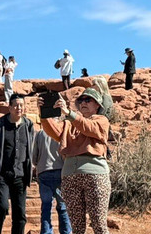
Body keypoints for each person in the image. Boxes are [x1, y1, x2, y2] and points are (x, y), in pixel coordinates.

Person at [40, 87, 110, 234]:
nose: (84, 102)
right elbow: (54, 132)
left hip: (95, 176)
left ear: (97, 105)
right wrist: (44, 114)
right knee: (76, 227)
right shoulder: (69, 123)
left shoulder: (101, 120)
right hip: (70, 176)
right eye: (81, 100)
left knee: (99, 224)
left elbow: (89, 127)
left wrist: (69, 114)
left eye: (88, 100)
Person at [0, 94, 35, 234]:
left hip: (20, 175)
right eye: (16, 105)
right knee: (2, 207)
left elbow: (31, 148)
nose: (19, 108)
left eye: (21, 105)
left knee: (20, 214)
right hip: (1, 175)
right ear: (10, 107)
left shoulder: (29, 125)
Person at [32, 125, 72, 234]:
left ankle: (46, 231)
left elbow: (34, 156)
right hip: (60, 171)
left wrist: (38, 164)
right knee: (63, 206)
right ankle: (66, 231)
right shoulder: (61, 131)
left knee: (46, 206)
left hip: (44, 172)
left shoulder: (40, 133)